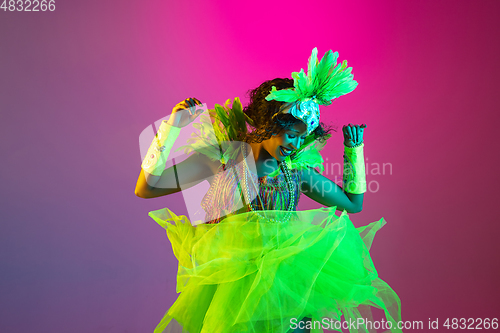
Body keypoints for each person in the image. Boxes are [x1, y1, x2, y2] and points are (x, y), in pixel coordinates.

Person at [135, 48, 402, 333]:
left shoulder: (294, 171)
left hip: (286, 285)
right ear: (270, 122)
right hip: (232, 285)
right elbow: (147, 187)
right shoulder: (220, 161)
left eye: (303, 137)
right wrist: (172, 128)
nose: (296, 145)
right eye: (291, 134)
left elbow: (352, 204)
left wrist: (354, 151)